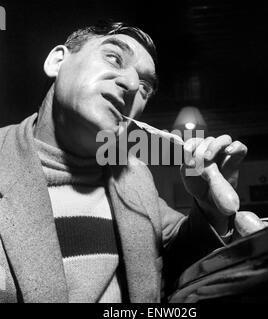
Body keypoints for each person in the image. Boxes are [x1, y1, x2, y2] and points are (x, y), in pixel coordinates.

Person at [0, 21, 247, 303]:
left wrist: (209, 208)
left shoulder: (135, 175)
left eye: (145, 86)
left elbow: (181, 255)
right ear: (57, 61)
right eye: (114, 57)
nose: (131, 85)